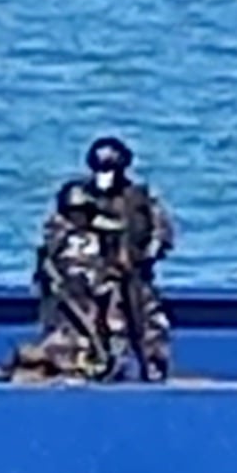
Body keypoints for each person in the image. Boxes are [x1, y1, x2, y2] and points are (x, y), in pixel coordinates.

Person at [86, 137, 177, 382]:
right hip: (103, 276)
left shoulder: (140, 197)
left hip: (138, 273)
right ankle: (112, 365)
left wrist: (152, 250)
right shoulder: (84, 199)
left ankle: (154, 366)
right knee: (110, 324)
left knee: (150, 324)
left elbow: (162, 230)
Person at [20, 179, 124, 380]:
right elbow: (47, 270)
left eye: (82, 212)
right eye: (73, 213)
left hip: (94, 308)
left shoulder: (101, 238)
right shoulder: (57, 236)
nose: (78, 218)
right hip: (65, 311)